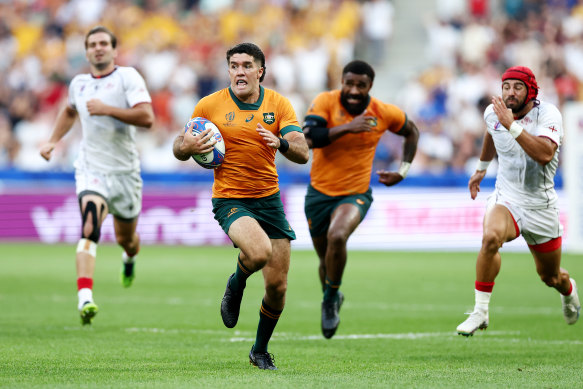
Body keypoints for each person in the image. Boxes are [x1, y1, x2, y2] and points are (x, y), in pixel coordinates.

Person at [172, 42, 309, 370]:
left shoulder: (279, 104)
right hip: (230, 198)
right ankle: (236, 284)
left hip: (269, 200)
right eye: (234, 65)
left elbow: (303, 153)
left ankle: (259, 350)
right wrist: (186, 146)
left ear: (260, 71)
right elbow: (180, 146)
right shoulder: (209, 105)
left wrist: (283, 143)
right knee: (259, 252)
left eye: (247, 65)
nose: (239, 71)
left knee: (278, 287)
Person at [39, 26, 154, 325]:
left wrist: (107, 109)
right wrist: (53, 140)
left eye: (104, 43)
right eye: (92, 44)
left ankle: (129, 258)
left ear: (115, 50)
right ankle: (85, 298)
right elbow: (68, 111)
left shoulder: (127, 77)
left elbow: (147, 117)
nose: (98, 48)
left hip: (126, 172)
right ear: (87, 51)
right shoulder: (78, 83)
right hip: (91, 168)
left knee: (126, 240)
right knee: (90, 224)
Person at [456, 66, 580, 336]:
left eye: (517, 87)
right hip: (507, 197)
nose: (510, 92)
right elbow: (492, 132)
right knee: (490, 238)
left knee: (550, 277)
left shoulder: (548, 115)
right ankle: (480, 311)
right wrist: (481, 168)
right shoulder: (495, 113)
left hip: (540, 206)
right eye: (506, 86)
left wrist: (510, 124)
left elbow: (545, 154)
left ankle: (568, 289)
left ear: (531, 91)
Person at [302, 60, 419, 339]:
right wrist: (348, 127)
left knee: (338, 236)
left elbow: (411, 131)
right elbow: (310, 137)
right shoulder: (325, 102)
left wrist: (403, 170)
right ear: (342, 81)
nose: (354, 90)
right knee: (325, 260)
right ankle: (332, 294)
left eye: (361, 85)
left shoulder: (383, 111)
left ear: (370, 86)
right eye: (349, 83)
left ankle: (329, 301)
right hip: (318, 193)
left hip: (355, 193)